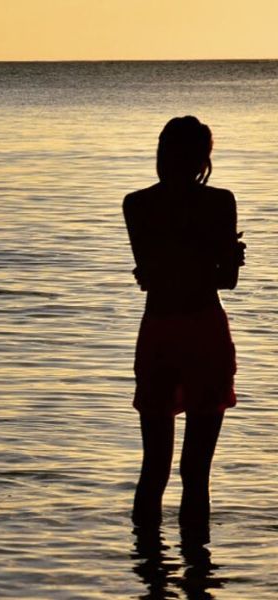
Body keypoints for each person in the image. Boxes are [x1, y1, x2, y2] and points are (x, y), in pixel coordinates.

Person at [123, 116, 246, 528]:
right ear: (202, 158)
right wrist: (224, 256)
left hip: (159, 329)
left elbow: (152, 275)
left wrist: (179, 266)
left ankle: (150, 574)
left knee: (153, 469)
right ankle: (198, 576)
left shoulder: (137, 204)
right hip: (203, 330)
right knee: (196, 474)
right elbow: (225, 279)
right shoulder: (219, 202)